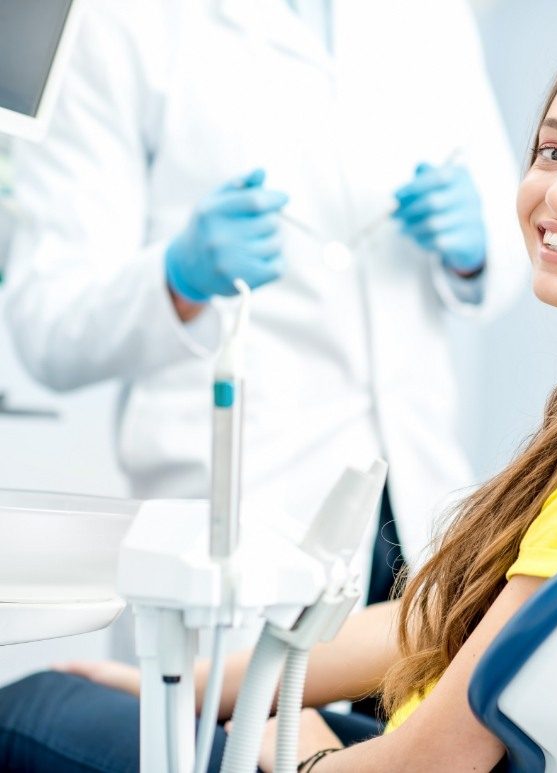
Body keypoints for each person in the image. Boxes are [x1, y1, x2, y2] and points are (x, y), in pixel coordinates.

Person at [0, 34, 557, 771]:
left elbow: (431, 760)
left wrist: (302, 752)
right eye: (551, 150)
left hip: (390, 725)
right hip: (277, 513)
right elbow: (440, 619)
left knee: (28, 707)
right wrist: (194, 687)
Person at [2, 0, 526, 615]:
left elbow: (512, 234)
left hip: (418, 503)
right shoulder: (119, 22)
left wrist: (478, 246)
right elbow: (50, 324)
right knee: (237, 709)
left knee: (411, 699)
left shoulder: (433, 17)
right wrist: (178, 278)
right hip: (239, 515)